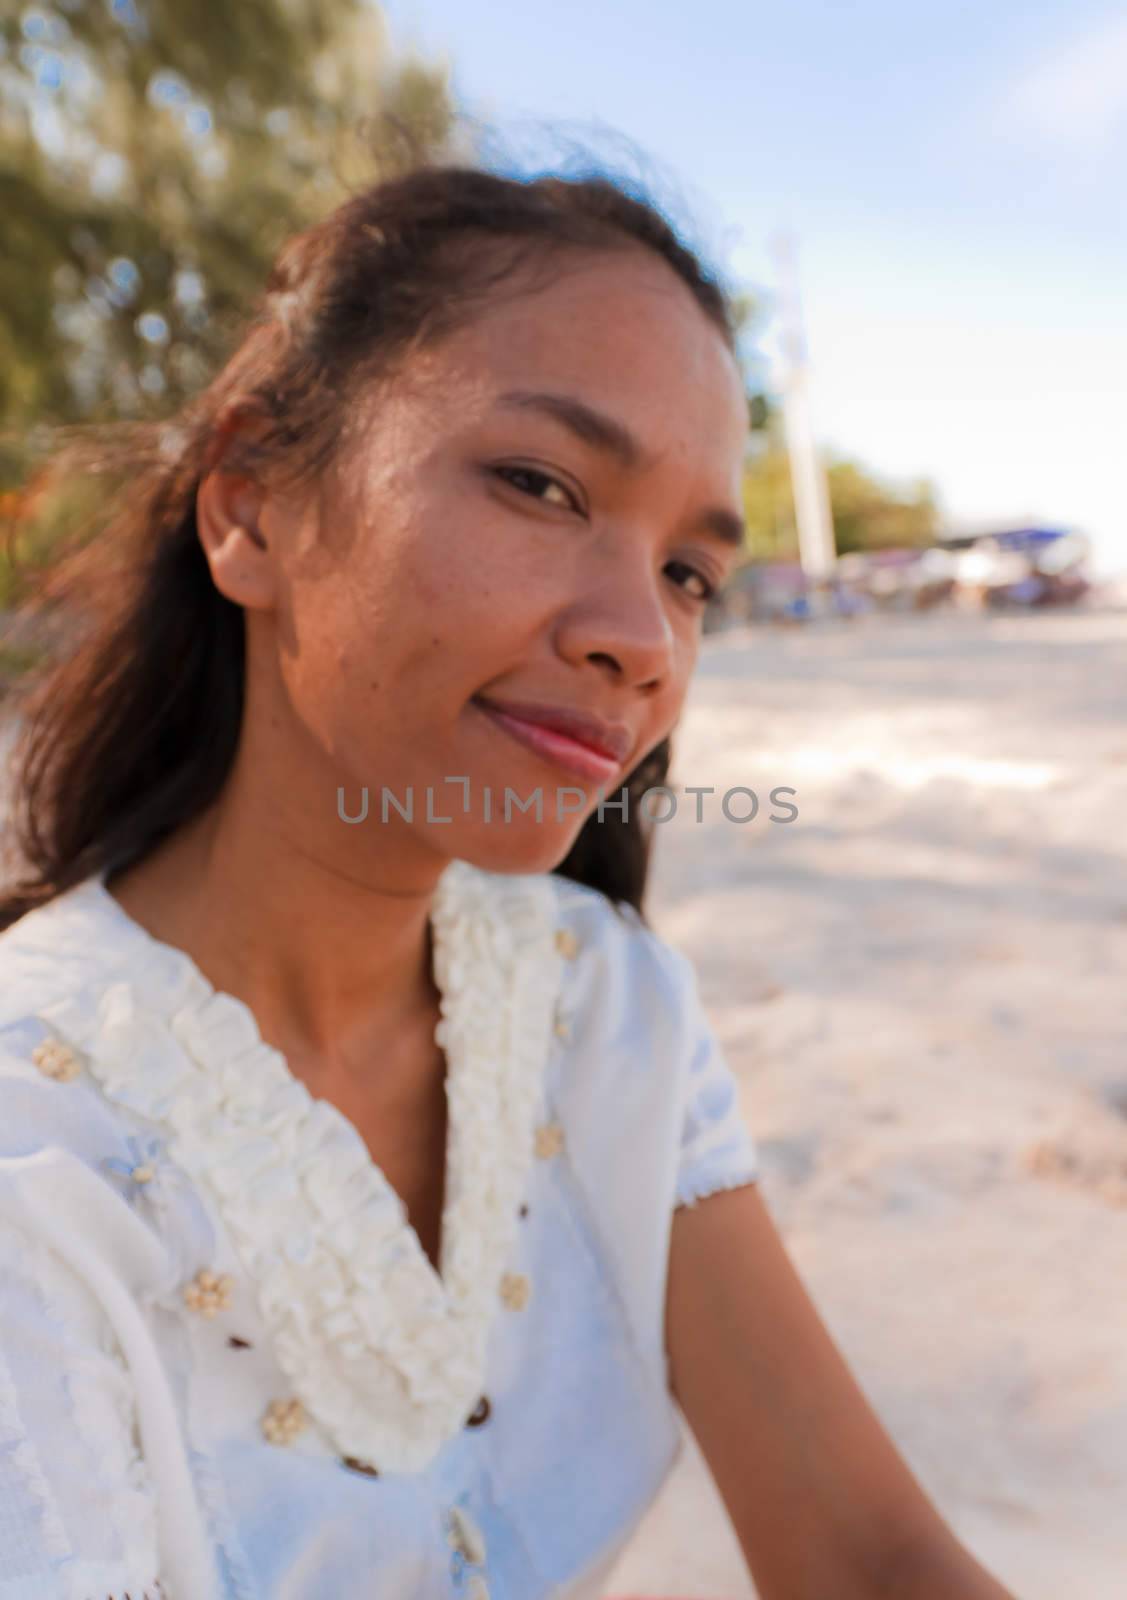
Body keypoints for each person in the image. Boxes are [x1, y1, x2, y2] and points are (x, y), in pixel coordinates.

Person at [0, 161, 1016, 1600]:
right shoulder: (32, 1156)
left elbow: (868, 1558)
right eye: (542, 485)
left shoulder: (602, 999)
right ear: (250, 513)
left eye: (688, 572)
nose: (642, 641)